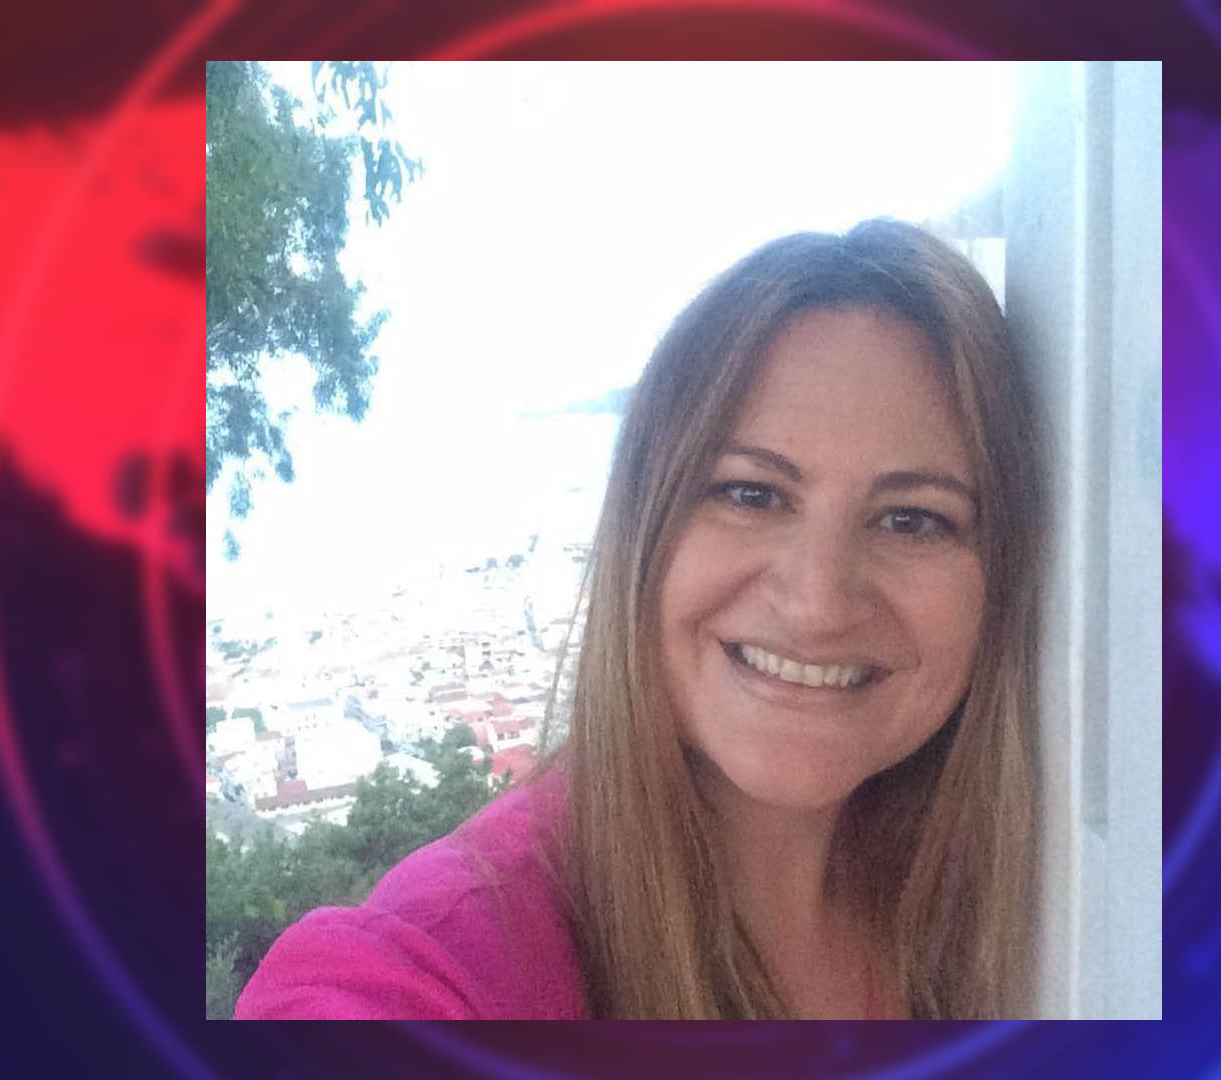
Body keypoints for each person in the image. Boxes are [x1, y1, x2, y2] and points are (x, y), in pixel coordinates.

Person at [235, 218, 1046, 1020]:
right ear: (643, 531)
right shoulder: (450, 963)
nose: (819, 603)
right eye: (751, 494)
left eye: (911, 519)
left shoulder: (1000, 899)